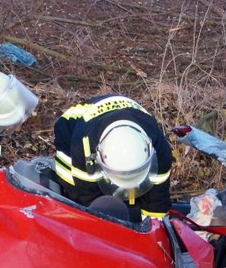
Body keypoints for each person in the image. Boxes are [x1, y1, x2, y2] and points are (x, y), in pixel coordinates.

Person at [52, 94, 172, 222]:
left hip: (127, 113)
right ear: (99, 157)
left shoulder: (160, 149)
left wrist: (152, 228)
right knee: (86, 204)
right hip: (71, 130)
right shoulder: (83, 145)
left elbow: (158, 200)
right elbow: (87, 195)